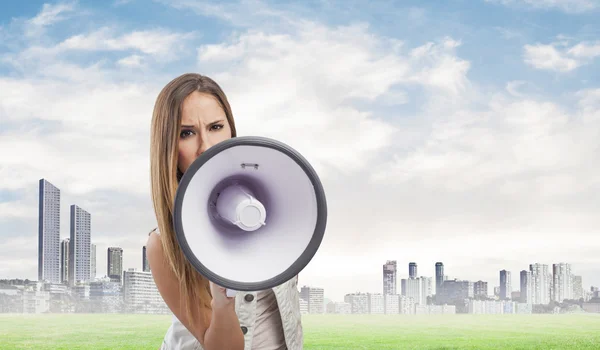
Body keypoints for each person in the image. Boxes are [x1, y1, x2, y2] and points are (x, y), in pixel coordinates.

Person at [145, 73, 304, 350]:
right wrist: (221, 300)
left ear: (231, 129)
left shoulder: (277, 196)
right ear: (168, 146)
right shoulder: (163, 243)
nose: (206, 146)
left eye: (216, 127)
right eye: (186, 133)